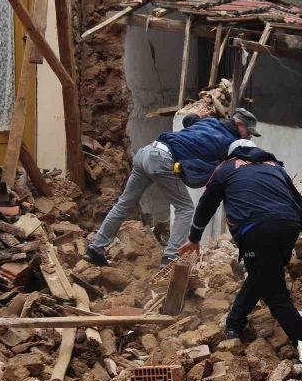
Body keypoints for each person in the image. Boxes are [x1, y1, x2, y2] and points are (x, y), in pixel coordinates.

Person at [179, 140, 302, 346]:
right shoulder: (275, 167)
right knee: (263, 273)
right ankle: (234, 323)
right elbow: (301, 207)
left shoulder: (225, 168)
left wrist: (194, 238)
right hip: (288, 228)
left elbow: (206, 204)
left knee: (276, 295)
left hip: (256, 231)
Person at [84, 108, 260, 267]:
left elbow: (188, 121)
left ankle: (95, 249)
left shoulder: (212, 122)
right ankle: (170, 258)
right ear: (239, 124)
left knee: (123, 204)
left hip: (146, 152)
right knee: (185, 209)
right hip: (163, 159)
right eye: (248, 132)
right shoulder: (229, 142)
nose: (248, 137)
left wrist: (197, 114)